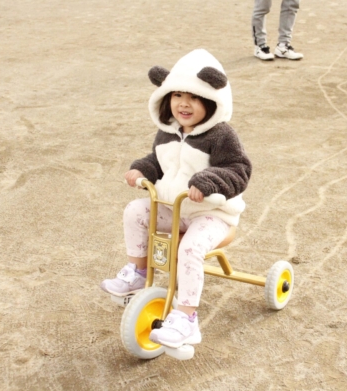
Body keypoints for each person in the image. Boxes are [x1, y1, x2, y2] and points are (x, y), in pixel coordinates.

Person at [100, 49, 252, 349]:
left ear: (212, 100)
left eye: (194, 97)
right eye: (177, 95)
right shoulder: (167, 133)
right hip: (175, 209)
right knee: (135, 211)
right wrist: (142, 169)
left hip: (213, 215)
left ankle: (186, 317)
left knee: (189, 247)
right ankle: (138, 272)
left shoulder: (221, 135)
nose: (184, 103)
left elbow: (239, 169)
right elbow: (158, 162)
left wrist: (208, 182)